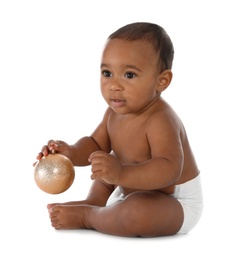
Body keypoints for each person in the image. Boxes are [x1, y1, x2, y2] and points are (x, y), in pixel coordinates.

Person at [34, 22, 203, 237]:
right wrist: (72, 152)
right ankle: (95, 202)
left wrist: (121, 173)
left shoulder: (161, 119)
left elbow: (169, 169)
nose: (114, 85)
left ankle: (90, 216)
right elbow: (95, 144)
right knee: (105, 160)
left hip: (173, 202)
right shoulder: (113, 113)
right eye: (107, 73)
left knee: (137, 212)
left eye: (129, 75)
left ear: (162, 81)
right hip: (127, 186)